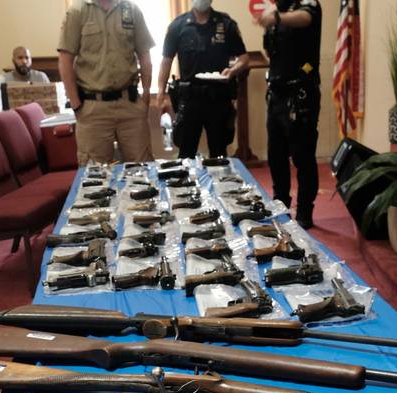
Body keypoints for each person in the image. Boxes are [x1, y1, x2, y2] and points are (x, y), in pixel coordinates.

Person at [58, 0, 155, 163]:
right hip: (92, 108)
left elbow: (144, 55)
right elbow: (65, 59)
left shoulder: (131, 10)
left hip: (130, 105)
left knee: (142, 168)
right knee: (94, 175)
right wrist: (75, 104)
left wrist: (146, 94)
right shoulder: (78, 11)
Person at [158, 0, 248, 158]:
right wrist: (161, 92)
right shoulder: (177, 26)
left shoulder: (226, 24)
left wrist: (232, 71)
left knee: (219, 153)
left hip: (218, 98)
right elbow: (166, 61)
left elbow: (244, 58)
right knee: (186, 153)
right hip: (189, 99)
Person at [260, 0, 321, 228]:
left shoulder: (305, 4)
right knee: (276, 154)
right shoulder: (276, 11)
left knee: (303, 155)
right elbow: (270, 51)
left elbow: (305, 18)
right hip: (276, 93)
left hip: (300, 95)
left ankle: (305, 210)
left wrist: (276, 17)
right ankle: (281, 205)